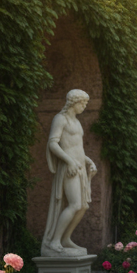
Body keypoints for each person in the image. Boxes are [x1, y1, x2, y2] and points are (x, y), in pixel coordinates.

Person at [41, 89, 98, 256]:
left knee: (82, 206)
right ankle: (54, 242)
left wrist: (88, 161)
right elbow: (53, 143)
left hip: (80, 166)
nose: (84, 107)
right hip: (69, 168)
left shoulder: (76, 122)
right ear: (74, 102)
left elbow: (77, 147)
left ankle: (65, 239)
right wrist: (69, 161)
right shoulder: (60, 119)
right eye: (83, 103)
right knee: (74, 204)